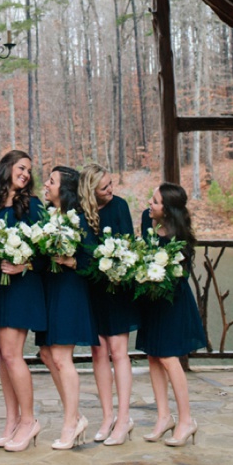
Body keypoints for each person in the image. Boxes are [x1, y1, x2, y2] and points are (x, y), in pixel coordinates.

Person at [136, 182, 206, 446]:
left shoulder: (179, 236)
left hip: (172, 302)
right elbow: (144, 243)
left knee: (168, 358)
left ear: (167, 209)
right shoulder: (151, 223)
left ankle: (186, 419)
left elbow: (181, 275)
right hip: (152, 303)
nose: (149, 204)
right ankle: (164, 417)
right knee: (153, 357)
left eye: (154, 201)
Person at [0, 149, 46, 452]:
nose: (25, 174)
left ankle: (29, 420)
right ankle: (10, 421)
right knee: (3, 356)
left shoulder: (32, 205)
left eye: (29, 170)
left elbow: (47, 246)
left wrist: (25, 264)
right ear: (7, 167)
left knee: (12, 354)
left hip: (22, 284)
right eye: (21, 168)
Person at [35, 165, 98, 450]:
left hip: (70, 291)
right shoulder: (48, 216)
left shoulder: (79, 219)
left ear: (66, 189)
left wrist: (74, 262)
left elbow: (96, 254)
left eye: (52, 181)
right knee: (47, 354)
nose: (46, 185)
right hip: (49, 290)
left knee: (61, 356)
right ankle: (77, 416)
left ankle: (70, 422)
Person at [80, 161, 139, 446]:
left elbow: (129, 244)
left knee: (119, 351)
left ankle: (124, 417)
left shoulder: (120, 207)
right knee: (99, 352)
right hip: (92, 290)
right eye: (105, 187)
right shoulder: (80, 213)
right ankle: (107, 417)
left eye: (111, 184)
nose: (111, 190)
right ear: (91, 190)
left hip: (116, 287)